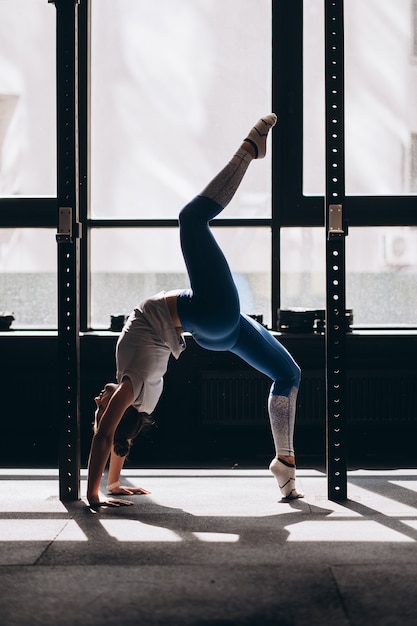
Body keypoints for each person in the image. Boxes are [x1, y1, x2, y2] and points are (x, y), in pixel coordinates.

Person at [87, 114, 303, 508]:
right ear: (114, 409)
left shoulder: (134, 396)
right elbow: (106, 435)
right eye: (99, 409)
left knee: (289, 373)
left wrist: (114, 483)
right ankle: (249, 151)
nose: (96, 401)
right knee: (191, 219)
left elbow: (118, 438)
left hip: (213, 330)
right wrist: (93, 495)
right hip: (208, 314)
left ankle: (285, 465)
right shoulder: (129, 387)